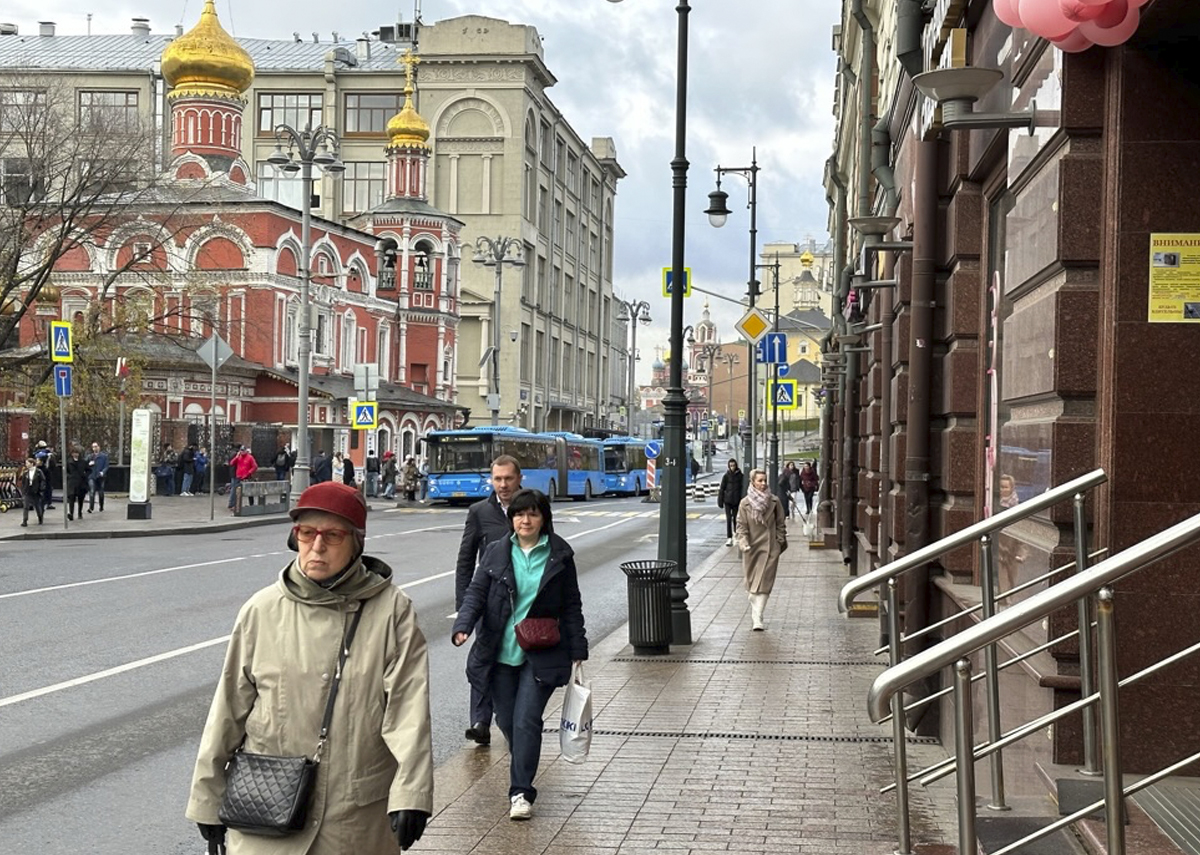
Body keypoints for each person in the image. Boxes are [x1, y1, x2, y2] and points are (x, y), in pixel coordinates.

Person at [186, 481, 433, 854]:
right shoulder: (262, 610)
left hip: (352, 819)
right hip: (267, 811)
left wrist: (411, 793)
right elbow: (228, 707)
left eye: (332, 536)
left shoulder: (391, 612)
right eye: (306, 533)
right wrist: (208, 797)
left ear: (357, 542)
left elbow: (408, 709)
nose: (316, 546)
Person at [452, 488, 588, 821]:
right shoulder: (497, 552)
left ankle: (521, 793)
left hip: (540, 652)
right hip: (500, 652)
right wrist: (464, 624)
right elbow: (476, 593)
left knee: (527, 720)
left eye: (532, 514)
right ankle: (523, 757)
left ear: (544, 518)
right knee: (507, 721)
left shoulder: (559, 555)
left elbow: (571, 604)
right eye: (518, 514)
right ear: (511, 519)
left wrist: (578, 646)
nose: (524, 520)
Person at [454, 455, 523, 747]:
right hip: (489, 601)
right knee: (483, 660)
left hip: (523, 601)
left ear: (519, 479)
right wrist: (464, 609)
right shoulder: (479, 512)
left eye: (508, 478)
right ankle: (480, 721)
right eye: (497, 479)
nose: (503, 485)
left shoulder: (530, 509)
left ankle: (514, 718)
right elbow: (466, 559)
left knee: (515, 660)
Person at [735, 468, 787, 631]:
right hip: (751, 547)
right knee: (752, 585)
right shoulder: (745, 503)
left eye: (765, 480)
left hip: (771, 547)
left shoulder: (774, 501)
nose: (763, 484)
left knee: (766, 583)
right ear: (752, 482)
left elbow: (780, 523)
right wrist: (743, 542)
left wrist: (779, 541)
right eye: (760, 481)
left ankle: (758, 618)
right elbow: (741, 526)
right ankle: (753, 601)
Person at [717, 459, 744, 547]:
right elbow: (722, 488)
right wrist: (720, 501)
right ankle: (729, 537)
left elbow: (742, 488)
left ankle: (736, 534)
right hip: (727, 501)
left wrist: (742, 500)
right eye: (730, 465)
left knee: (736, 519)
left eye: (733, 465)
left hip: (737, 501)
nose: (732, 467)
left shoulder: (740, 476)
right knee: (729, 519)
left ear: (736, 465)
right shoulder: (726, 476)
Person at [228, 446, 258, 511]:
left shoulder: (250, 457)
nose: (242, 452)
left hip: (246, 477)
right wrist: (236, 457)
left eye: (243, 451)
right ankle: (234, 505)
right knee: (236, 491)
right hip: (238, 476)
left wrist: (248, 473)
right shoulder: (239, 457)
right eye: (241, 451)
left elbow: (255, 466)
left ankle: (251, 504)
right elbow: (231, 463)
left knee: (249, 491)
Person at [19, 457, 45, 527]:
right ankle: (25, 520)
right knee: (26, 506)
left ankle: (40, 517)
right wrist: (23, 490)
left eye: (27, 463)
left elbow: (42, 481)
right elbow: (23, 481)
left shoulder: (38, 472)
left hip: (36, 491)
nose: (26, 465)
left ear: (32, 463)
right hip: (28, 490)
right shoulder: (25, 473)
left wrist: (41, 489)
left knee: (37, 506)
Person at [65, 446, 88, 521]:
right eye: (74, 453)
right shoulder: (68, 461)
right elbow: (65, 471)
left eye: (77, 453)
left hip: (81, 482)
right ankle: (71, 513)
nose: (76, 454)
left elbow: (88, 470)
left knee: (80, 498)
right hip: (72, 482)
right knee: (71, 497)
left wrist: (85, 475)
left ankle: (80, 512)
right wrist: (69, 476)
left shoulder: (83, 462)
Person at [86, 441, 108, 513]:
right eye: (93, 447)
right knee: (92, 491)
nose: (94, 448)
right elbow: (84, 464)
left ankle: (101, 506)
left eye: (96, 446)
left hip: (100, 476)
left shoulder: (104, 456)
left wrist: (103, 472)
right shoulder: (90, 456)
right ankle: (91, 508)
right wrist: (89, 464)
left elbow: (106, 466)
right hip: (92, 476)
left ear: (99, 447)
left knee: (101, 492)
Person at [34, 440, 55, 510]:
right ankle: (48, 502)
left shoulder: (36, 453)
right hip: (47, 472)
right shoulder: (48, 454)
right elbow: (53, 464)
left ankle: (37, 502)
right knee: (48, 487)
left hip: (38, 472)